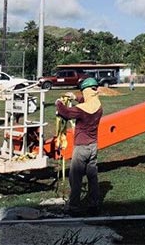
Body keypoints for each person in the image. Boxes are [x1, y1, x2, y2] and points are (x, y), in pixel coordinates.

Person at [55, 77, 103, 216]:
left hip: (81, 148)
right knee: (92, 177)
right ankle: (94, 204)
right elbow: (85, 101)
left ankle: (74, 207)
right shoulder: (98, 105)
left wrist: (58, 103)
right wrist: (75, 97)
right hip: (93, 146)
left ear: (86, 91)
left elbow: (66, 113)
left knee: (75, 178)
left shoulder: (82, 110)